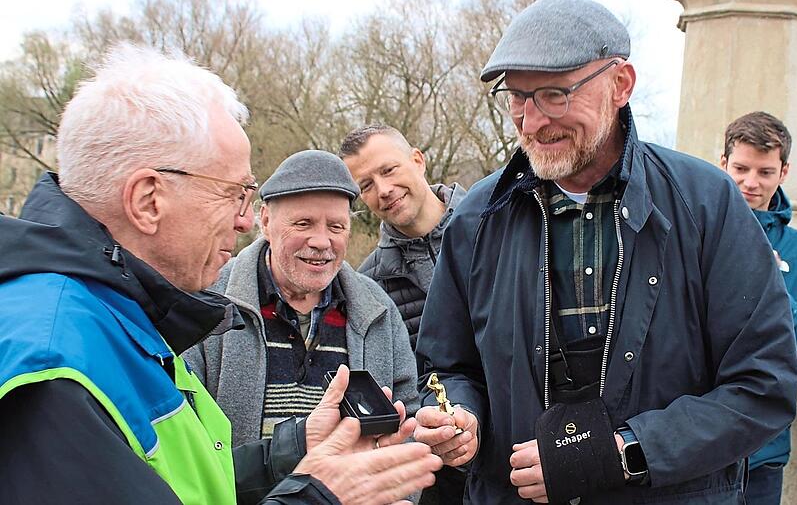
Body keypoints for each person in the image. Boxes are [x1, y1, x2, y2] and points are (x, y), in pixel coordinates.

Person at [0, 44, 440, 505]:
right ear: (149, 200)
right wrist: (318, 497)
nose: (245, 221)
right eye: (232, 194)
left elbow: (196, 482)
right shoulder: (51, 373)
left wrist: (300, 448)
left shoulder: (128, 322)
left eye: (336, 226)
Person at [412, 0, 797, 504]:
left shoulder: (707, 203)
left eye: (554, 94)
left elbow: (763, 384)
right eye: (517, 97)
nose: (530, 121)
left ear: (621, 85)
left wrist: (624, 454)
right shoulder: (477, 217)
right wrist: (459, 418)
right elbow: (447, 366)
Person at [184, 149, 418, 446]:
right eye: (303, 224)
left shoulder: (379, 311)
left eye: (336, 227)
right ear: (266, 221)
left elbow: (408, 424)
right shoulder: (207, 300)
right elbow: (183, 439)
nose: (321, 242)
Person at [340, 124, 469, 504]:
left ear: (418, 160)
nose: (382, 190)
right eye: (365, 185)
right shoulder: (368, 286)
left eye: (389, 170)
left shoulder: (495, 227)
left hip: (526, 446)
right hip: (440, 475)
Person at [720, 111, 797, 504]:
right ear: (723, 164)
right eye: (740, 168)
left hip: (763, 454)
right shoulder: (688, 234)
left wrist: (772, 288)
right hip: (690, 447)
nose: (750, 182)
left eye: (765, 171)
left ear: (783, 172)